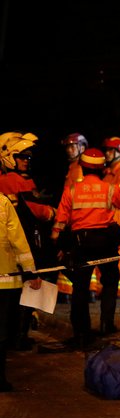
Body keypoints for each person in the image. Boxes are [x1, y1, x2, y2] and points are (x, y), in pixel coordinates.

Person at [51, 148, 120, 345]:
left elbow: (59, 224)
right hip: (106, 243)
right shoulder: (109, 189)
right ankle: (107, 324)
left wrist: (58, 245)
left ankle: (81, 332)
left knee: (80, 288)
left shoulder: (71, 191)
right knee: (110, 281)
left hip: (81, 244)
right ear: (102, 169)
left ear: (81, 167)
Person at [0, 132, 56, 351]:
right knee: (25, 292)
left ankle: (16, 335)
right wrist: (53, 213)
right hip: (22, 246)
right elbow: (36, 211)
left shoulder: (5, 181)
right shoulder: (15, 181)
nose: (26, 161)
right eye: (22, 156)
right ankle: (19, 336)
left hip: (10, 252)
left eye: (28, 158)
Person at [0, 192, 42, 391]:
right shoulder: (2, 203)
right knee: (1, 331)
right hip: (5, 281)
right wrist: (30, 271)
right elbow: (18, 240)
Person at [91, 136, 120, 298]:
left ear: (118, 152)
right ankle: (103, 287)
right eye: (106, 150)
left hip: (118, 216)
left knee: (118, 251)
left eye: (110, 150)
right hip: (106, 217)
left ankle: (117, 288)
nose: (106, 153)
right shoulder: (108, 172)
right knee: (104, 252)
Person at [56, 133, 88, 298]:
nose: (69, 150)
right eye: (67, 147)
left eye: (72, 146)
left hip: (77, 219)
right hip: (73, 219)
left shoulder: (79, 169)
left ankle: (78, 292)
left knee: (75, 256)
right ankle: (76, 291)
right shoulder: (73, 168)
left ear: (82, 147)